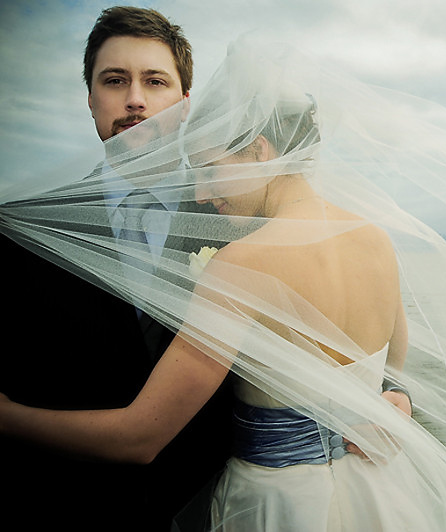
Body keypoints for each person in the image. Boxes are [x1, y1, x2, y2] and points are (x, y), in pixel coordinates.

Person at [1, 35, 446, 531]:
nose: (199, 190)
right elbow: (395, 373)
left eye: (206, 168)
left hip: (278, 502)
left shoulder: (246, 262)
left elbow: (140, 436)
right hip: (385, 488)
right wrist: (389, 402)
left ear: (261, 151)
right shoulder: (375, 238)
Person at [0, 7, 232, 531]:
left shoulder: (235, 218)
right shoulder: (21, 229)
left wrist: (389, 388)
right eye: (114, 80)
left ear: (185, 103)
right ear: (89, 98)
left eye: (155, 81)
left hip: (217, 505)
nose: (134, 99)